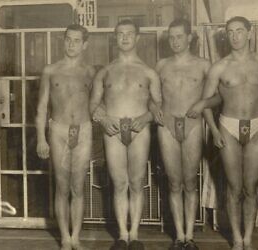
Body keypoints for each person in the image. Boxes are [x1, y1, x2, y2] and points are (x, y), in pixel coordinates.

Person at [189, 16, 258, 250]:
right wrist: (215, 130)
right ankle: (236, 240)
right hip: (228, 126)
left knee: (251, 186)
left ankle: (248, 239)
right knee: (233, 187)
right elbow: (206, 101)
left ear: (249, 33)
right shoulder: (219, 67)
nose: (235, 36)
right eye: (230, 32)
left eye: (239, 31)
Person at [89, 19, 162, 250]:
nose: (125, 38)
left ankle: (135, 235)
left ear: (137, 37)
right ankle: (122, 236)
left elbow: (159, 108)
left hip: (139, 131)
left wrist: (146, 117)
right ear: (115, 37)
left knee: (137, 183)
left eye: (129, 34)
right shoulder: (106, 71)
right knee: (119, 183)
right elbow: (93, 106)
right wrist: (103, 117)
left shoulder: (149, 72)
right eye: (120, 34)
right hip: (113, 130)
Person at [151, 18, 221, 250]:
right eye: (171, 37)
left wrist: (202, 104)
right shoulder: (161, 65)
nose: (175, 41)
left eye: (180, 36)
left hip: (192, 125)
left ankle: (190, 236)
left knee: (190, 182)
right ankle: (178, 236)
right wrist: (154, 109)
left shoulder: (203, 65)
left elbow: (218, 97)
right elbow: (151, 97)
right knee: (173, 183)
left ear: (190, 37)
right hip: (167, 126)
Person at [36, 24, 95, 250]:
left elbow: (98, 104)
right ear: (63, 41)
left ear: (85, 44)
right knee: (61, 186)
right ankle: (64, 238)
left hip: (84, 129)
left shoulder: (90, 72)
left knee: (78, 187)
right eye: (68, 40)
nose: (71, 44)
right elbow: (42, 107)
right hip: (58, 129)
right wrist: (41, 138)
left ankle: (76, 237)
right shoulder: (50, 70)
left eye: (76, 40)